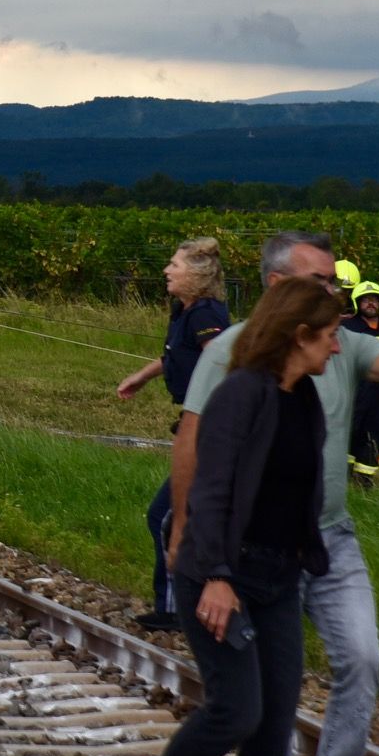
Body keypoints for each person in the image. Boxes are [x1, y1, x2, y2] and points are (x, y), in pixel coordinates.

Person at [171, 232, 379, 756]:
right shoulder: (233, 357)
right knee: (265, 698)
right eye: (324, 281)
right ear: (281, 287)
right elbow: (193, 449)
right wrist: (187, 537)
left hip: (327, 538)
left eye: (336, 281)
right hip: (255, 550)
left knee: (361, 657)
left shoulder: (338, 348)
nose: (338, 292)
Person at [139, 277, 340, 756]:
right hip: (218, 572)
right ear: (300, 335)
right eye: (329, 335)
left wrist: (309, 554)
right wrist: (218, 577)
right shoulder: (240, 394)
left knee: (274, 731)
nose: (337, 346)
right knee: (238, 710)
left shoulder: (303, 399)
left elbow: (297, 491)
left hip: (278, 576)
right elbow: (210, 491)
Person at [116, 236, 231, 628]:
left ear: (197, 277)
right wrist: (142, 377)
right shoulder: (183, 311)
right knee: (176, 515)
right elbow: (174, 356)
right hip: (195, 420)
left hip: (208, 426)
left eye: (174, 266)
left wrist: (205, 421)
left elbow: (224, 364)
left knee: (165, 518)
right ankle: (186, 603)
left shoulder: (206, 316)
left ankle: (177, 610)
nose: (166, 270)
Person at [343, 281, 379, 487]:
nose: (371, 303)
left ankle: (365, 479)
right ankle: (344, 475)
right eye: (366, 299)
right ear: (358, 302)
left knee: (376, 432)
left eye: (374, 300)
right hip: (355, 389)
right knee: (351, 431)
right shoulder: (347, 327)